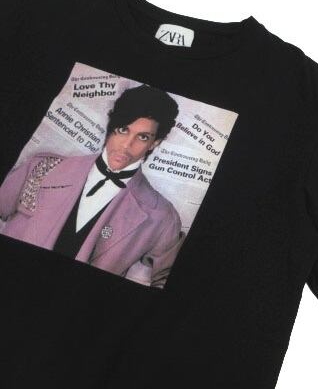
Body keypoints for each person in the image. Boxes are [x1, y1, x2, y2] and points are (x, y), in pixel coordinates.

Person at [0, 84, 185, 288]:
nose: (126, 145)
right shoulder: (42, 167)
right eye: (123, 130)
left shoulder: (163, 216)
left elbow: (168, 281)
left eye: (142, 137)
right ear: (111, 126)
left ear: (155, 143)